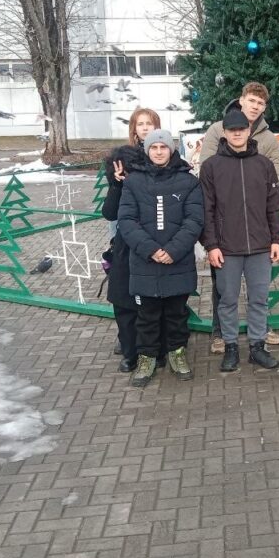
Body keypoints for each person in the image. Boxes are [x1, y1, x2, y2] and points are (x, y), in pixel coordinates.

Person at [197, 81, 279, 354]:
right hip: (227, 239)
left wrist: (276, 237)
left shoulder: (266, 149)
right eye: (251, 101)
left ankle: (258, 342)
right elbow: (207, 193)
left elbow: (274, 191)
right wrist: (211, 243)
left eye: (260, 103)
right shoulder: (215, 138)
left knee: (259, 296)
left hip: (258, 235)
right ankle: (226, 339)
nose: (255, 106)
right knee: (226, 296)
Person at [117, 129, 205, 387]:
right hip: (145, 261)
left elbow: (194, 220)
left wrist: (173, 250)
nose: (158, 152)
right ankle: (147, 358)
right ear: (147, 151)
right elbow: (126, 220)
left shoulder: (188, 181)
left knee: (177, 314)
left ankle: (177, 353)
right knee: (147, 316)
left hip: (177, 261)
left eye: (163, 147)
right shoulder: (133, 182)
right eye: (153, 148)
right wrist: (151, 250)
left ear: (171, 150)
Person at [101, 107, 161, 372]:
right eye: (140, 124)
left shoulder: (163, 156)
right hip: (126, 241)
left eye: (150, 123)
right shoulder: (122, 160)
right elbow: (110, 212)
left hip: (155, 238)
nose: (145, 128)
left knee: (153, 299)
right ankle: (129, 349)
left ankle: (155, 347)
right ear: (134, 129)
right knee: (124, 297)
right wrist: (118, 184)